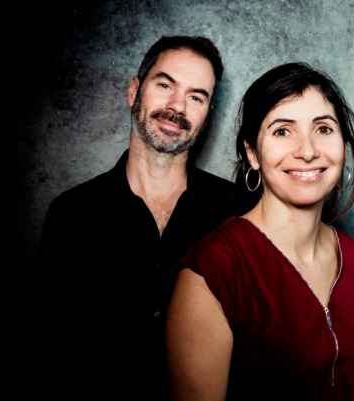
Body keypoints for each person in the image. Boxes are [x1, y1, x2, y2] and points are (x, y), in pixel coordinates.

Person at [34, 35, 235, 400]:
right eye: (165, 85)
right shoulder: (72, 213)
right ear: (133, 91)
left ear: (207, 115)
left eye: (196, 97)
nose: (177, 106)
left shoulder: (234, 212)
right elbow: (50, 353)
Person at [165, 62, 354, 401]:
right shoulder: (211, 271)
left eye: (323, 129)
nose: (307, 151)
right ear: (252, 152)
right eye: (283, 131)